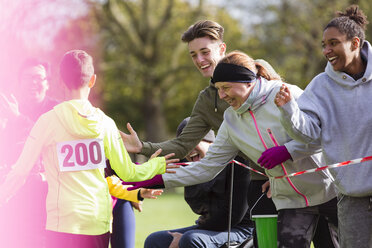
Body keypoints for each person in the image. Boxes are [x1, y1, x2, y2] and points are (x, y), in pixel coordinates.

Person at [124, 51, 339, 248]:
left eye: (226, 88)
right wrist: (148, 178)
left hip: (328, 191)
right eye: (218, 89)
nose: (223, 96)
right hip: (290, 202)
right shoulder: (231, 121)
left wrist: (288, 151)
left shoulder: (286, 94)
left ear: (246, 81)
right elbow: (206, 168)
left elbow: (325, 135)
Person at [120, 20, 278, 245]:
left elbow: (281, 132)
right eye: (193, 55)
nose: (200, 60)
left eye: (205, 52)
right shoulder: (206, 100)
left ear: (221, 49)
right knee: (159, 241)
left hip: (275, 183)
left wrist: (277, 173)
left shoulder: (252, 86)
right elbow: (183, 144)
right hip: (252, 185)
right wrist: (141, 147)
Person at [0, 49, 178, 248]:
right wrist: (158, 164)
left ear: (60, 82)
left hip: (62, 221)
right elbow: (129, 172)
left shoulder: (47, 121)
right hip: (97, 221)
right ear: (92, 80)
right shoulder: (106, 123)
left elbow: (20, 172)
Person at [274, 5, 372, 248]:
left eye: (333, 43)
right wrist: (289, 110)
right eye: (324, 44)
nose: (326, 50)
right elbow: (307, 135)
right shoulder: (320, 86)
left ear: (355, 42)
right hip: (353, 198)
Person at [144, 117, 254, 248]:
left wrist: (187, 235)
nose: (189, 150)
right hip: (208, 228)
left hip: (242, 229)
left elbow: (233, 216)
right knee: (155, 240)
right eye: (183, 146)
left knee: (191, 240)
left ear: (211, 142)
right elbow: (155, 177)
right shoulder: (190, 166)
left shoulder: (237, 160)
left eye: (193, 142)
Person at [0, 58, 58, 248]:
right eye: (27, 78)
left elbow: (48, 141)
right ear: (19, 83)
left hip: (51, 196)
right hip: (17, 197)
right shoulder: (9, 110)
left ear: (47, 83)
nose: (33, 83)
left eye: (38, 78)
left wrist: (17, 119)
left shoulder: (58, 111)